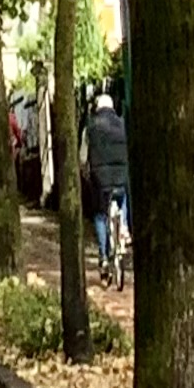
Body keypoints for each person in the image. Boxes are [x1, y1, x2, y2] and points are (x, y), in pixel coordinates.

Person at [78, 89, 129, 284]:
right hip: (121, 175)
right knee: (122, 196)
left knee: (100, 215)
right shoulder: (123, 124)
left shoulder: (90, 127)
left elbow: (83, 157)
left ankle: (104, 258)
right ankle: (123, 225)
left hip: (100, 178)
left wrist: (85, 172)